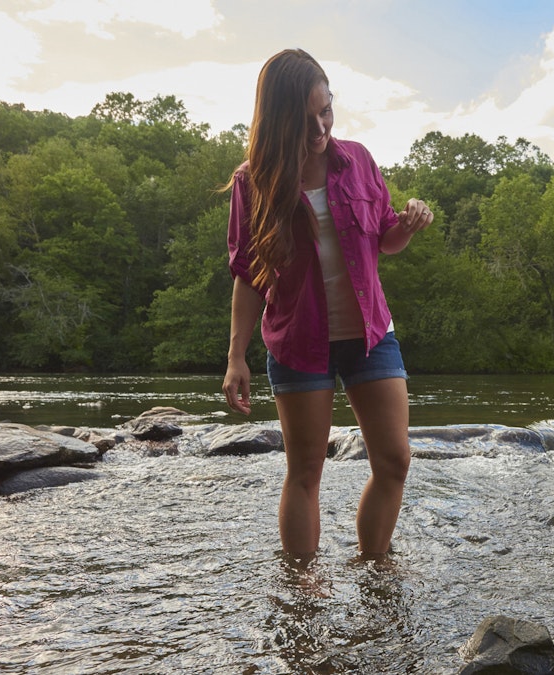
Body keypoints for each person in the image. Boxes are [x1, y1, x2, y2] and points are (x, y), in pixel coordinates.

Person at [221, 48, 433, 560]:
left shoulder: (357, 159)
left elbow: (384, 237)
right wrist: (235, 357)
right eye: (305, 117)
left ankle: (373, 570)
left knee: (395, 461)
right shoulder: (253, 181)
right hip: (298, 341)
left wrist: (405, 226)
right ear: (277, 120)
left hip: (370, 335)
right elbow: (248, 275)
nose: (320, 127)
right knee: (305, 472)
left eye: (326, 110)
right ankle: (303, 591)